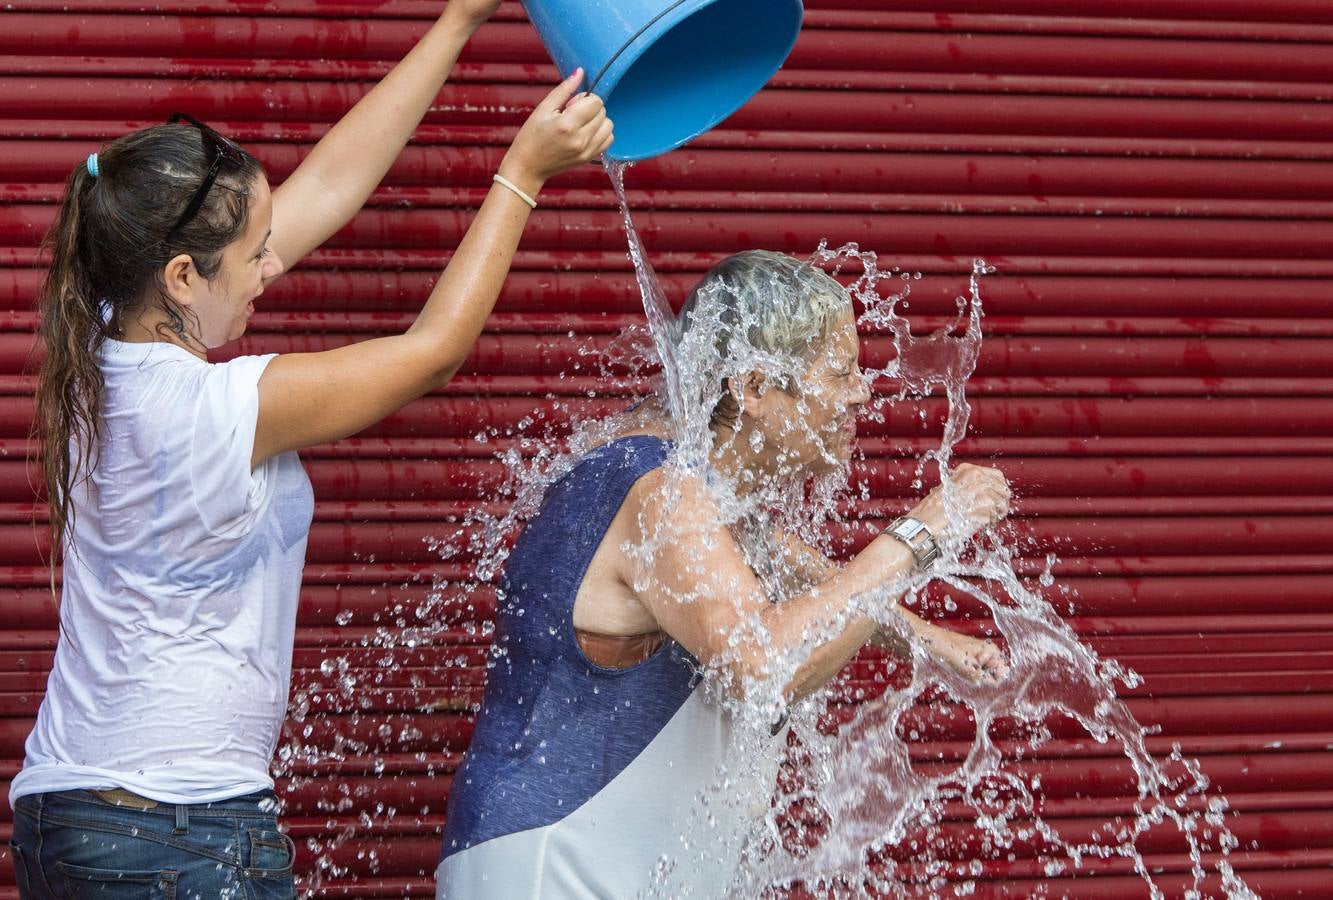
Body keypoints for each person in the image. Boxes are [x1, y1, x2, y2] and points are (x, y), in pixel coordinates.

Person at [7, 1, 614, 896]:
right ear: (181, 274)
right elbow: (431, 353)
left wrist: (456, 23)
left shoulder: (102, 341)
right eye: (255, 256)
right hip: (178, 829)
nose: (271, 267)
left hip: (73, 813)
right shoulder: (210, 409)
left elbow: (321, 191)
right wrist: (521, 174)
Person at [435, 250, 1012, 898]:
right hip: (558, 862)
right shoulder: (656, 489)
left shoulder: (689, 480)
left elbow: (779, 557)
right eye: (840, 369)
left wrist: (923, 637)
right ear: (755, 388)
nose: (862, 391)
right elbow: (763, 666)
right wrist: (921, 533)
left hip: (619, 863)